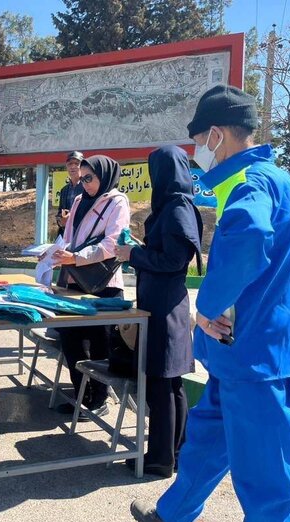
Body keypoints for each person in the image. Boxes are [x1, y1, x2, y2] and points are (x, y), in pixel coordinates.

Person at [130, 85, 290, 522]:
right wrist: (277, 288)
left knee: (269, 481)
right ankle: (172, 513)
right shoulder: (286, 182)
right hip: (243, 352)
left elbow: (253, 237)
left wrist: (210, 306)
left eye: (200, 141)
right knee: (205, 440)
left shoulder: (252, 185)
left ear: (216, 134)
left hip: (255, 358)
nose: (199, 151)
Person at [115, 146, 203, 479]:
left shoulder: (177, 207)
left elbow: (175, 260)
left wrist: (134, 256)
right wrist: (139, 249)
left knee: (161, 386)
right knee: (171, 385)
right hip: (164, 305)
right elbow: (167, 252)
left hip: (166, 309)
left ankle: (160, 459)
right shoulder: (175, 205)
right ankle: (175, 453)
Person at [51, 155, 131, 420]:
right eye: (81, 178)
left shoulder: (117, 201)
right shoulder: (77, 200)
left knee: (100, 346)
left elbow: (113, 244)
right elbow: (71, 238)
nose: (83, 183)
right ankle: (81, 394)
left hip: (103, 284)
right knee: (70, 338)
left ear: (104, 176)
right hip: (75, 282)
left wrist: (77, 257)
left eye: (89, 178)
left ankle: (99, 399)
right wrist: (56, 252)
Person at [56, 151, 85, 238]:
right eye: (70, 164)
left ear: (83, 166)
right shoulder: (64, 190)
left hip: (82, 234)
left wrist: (71, 218)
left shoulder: (88, 187)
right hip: (66, 234)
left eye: (77, 163)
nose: (73, 167)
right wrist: (61, 222)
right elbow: (59, 214)